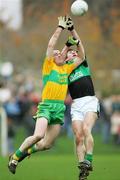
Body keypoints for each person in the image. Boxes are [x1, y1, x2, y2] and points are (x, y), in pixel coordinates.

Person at [8, 16, 85, 175]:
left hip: (59, 109)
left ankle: (26, 153)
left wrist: (75, 41)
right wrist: (60, 27)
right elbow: (51, 45)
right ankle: (15, 157)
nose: (57, 53)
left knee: (47, 144)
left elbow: (82, 57)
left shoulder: (66, 69)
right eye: (55, 53)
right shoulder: (49, 66)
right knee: (38, 135)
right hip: (47, 106)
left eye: (60, 53)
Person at [65, 17, 100, 180]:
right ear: (66, 58)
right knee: (78, 137)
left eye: (75, 51)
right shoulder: (65, 72)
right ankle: (82, 170)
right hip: (76, 104)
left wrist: (72, 29)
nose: (74, 52)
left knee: (86, 130)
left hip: (90, 101)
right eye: (71, 52)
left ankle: (89, 159)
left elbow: (80, 44)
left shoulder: (82, 63)